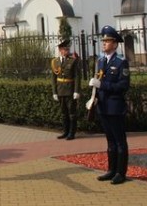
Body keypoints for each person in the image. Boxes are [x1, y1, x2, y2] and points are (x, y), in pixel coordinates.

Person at [89, 25, 130, 185]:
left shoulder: (121, 62)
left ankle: (121, 172)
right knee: (110, 141)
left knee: (120, 141)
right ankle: (111, 170)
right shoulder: (100, 61)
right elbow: (98, 82)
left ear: (115, 44)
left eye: (107, 41)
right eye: (103, 40)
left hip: (115, 107)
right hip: (103, 106)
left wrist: (102, 85)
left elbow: (123, 86)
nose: (104, 43)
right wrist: (93, 96)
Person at [51, 38, 81, 140]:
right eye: (65, 49)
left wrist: (76, 91)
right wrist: (54, 92)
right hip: (60, 90)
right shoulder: (54, 62)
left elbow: (77, 76)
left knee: (71, 113)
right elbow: (53, 78)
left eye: (68, 49)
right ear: (60, 50)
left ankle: (72, 133)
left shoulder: (73, 61)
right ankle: (65, 131)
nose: (67, 51)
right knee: (64, 113)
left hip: (70, 90)